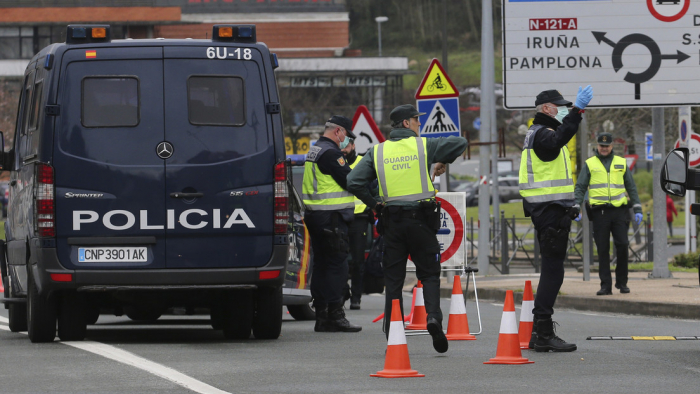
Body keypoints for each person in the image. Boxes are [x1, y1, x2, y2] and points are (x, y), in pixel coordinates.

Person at [347, 104, 467, 353]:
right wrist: (441, 159)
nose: (419, 124)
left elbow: (353, 181)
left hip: (392, 223)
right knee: (429, 274)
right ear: (405, 124)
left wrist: (375, 205)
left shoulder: (377, 152)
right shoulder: (424, 147)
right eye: (416, 120)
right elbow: (460, 143)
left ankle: (394, 332)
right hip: (421, 221)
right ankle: (433, 318)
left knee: (393, 279)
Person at [519, 86, 593, 353]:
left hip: (551, 209)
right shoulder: (543, 135)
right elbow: (559, 140)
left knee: (552, 269)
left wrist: (569, 203)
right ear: (547, 109)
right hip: (547, 212)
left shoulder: (537, 133)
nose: (562, 110)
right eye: (560, 106)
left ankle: (539, 333)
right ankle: (544, 332)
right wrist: (577, 112)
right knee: (553, 271)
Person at [302, 115, 362, 333]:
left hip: (317, 216)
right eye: (346, 135)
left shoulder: (315, 150)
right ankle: (335, 315)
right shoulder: (331, 153)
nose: (346, 140)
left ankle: (322, 315)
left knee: (322, 265)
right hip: (331, 217)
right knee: (338, 265)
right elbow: (351, 181)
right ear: (339, 131)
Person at [574, 132, 643, 296]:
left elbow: (631, 187)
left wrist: (638, 208)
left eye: (606, 146)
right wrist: (576, 206)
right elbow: (580, 187)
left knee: (623, 245)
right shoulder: (590, 164)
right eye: (601, 145)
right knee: (603, 249)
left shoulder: (621, 162)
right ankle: (605, 285)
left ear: (612, 146)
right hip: (600, 213)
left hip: (619, 211)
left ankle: (622, 282)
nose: (604, 148)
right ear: (597, 146)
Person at [341, 139, 372, 310]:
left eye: (346, 147)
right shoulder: (337, 163)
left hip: (359, 217)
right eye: (341, 147)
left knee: (359, 261)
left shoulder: (363, 161)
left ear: (353, 145)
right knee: (341, 259)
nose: (343, 150)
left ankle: (356, 297)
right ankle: (343, 291)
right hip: (341, 215)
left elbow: (373, 185)